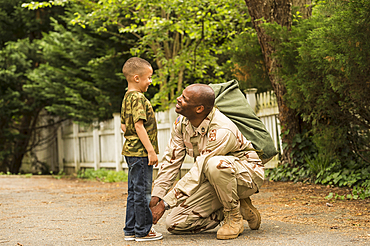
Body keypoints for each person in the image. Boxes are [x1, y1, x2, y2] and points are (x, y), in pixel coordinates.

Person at [149, 84, 264, 240]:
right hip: (214, 179)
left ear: (199, 109)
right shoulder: (182, 123)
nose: (178, 99)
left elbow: (199, 170)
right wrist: (156, 196)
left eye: (184, 98)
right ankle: (239, 206)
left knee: (215, 164)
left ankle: (234, 217)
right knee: (175, 224)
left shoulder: (222, 129)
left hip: (246, 177)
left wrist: (165, 204)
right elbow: (171, 161)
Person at [120, 57, 163, 242]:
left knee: (133, 191)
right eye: (149, 77)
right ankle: (144, 231)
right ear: (137, 78)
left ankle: (130, 229)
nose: (150, 81)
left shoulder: (127, 97)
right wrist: (151, 151)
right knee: (143, 192)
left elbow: (124, 126)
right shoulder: (138, 98)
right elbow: (139, 126)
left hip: (130, 151)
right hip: (140, 153)